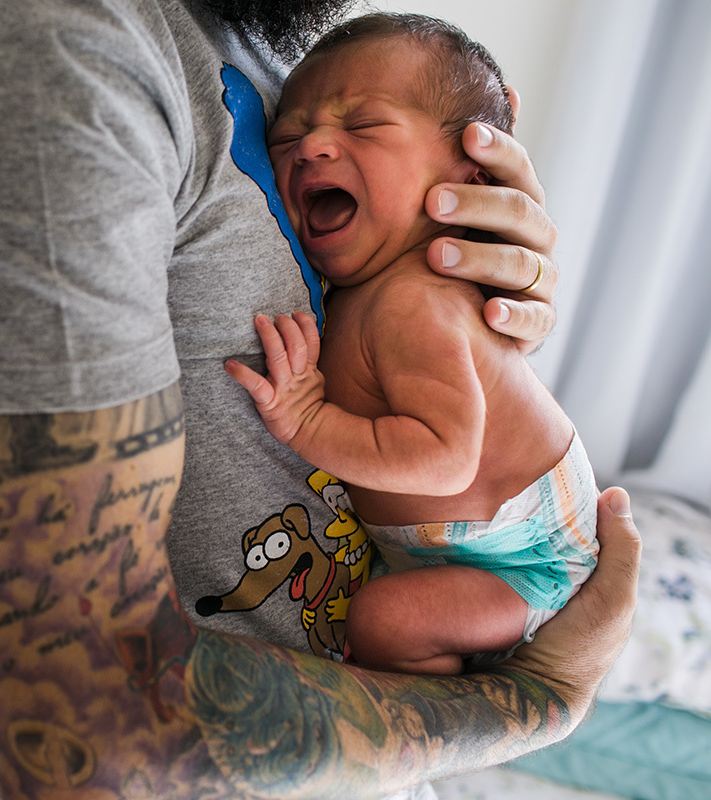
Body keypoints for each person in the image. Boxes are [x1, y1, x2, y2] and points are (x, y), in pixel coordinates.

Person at [0, 1, 640, 798]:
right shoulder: (41, 58)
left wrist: (485, 313)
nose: (313, 145)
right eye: (300, 135)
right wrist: (540, 698)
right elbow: (91, 727)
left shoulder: (264, 53)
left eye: (362, 126)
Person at [227, 13, 599, 675]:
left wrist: (308, 421)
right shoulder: (363, 283)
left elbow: (445, 460)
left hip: (522, 559)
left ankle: (446, 709)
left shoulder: (415, 300)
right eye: (285, 137)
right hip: (453, 550)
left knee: (385, 621)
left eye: (364, 125)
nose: (311, 146)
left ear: (472, 177)